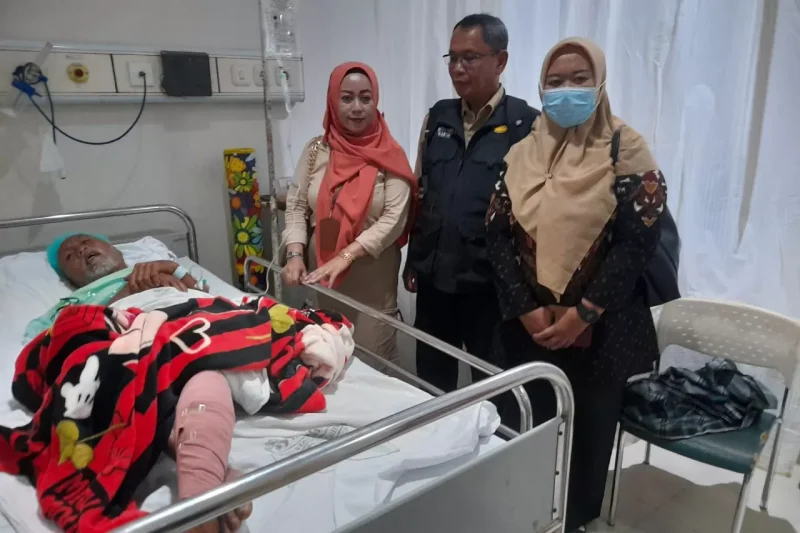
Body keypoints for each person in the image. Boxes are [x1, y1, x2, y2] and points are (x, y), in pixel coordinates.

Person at [485, 37, 667, 532]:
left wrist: (584, 313)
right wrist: (525, 308)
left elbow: (637, 243)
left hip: (600, 333)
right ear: (541, 87)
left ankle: (573, 522)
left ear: (600, 83)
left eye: (579, 79)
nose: (566, 90)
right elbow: (496, 234)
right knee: (526, 428)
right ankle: (523, 515)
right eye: (555, 81)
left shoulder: (626, 148)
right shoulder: (522, 151)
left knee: (585, 440)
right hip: (529, 326)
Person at [28, 233, 252, 533]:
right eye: (70, 256)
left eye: (86, 242)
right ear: (69, 278)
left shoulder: (157, 269)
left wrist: (170, 270)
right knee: (187, 375)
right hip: (134, 340)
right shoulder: (71, 304)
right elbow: (47, 345)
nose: (81, 250)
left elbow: (205, 297)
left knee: (198, 368)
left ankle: (204, 489)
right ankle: (209, 480)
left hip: (190, 326)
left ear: (114, 249)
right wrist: (123, 295)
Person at [403, 13, 539, 392]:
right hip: (435, 282)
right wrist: (414, 258)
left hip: (491, 288)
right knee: (432, 385)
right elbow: (422, 191)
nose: (458, 68)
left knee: (494, 388)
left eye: (470, 57)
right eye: (453, 58)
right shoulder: (437, 118)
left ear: (501, 60)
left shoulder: (526, 125)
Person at [282, 61, 417, 369]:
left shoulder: (390, 155)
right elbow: (297, 204)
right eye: (347, 98)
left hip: (371, 275)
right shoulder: (316, 150)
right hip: (323, 269)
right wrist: (295, 254)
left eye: (365, 98)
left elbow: (394, 219)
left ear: (375, 100)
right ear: (333, 100)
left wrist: (346, 256)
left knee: (373, 360)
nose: (357, 107)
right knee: (328, 354)